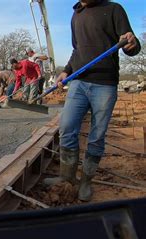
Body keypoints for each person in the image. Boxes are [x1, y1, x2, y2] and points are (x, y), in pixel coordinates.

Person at [42, 0, 140, 202]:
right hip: (78, 82)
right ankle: (67, 177)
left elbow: (130, 45)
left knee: (96, 136)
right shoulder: (76, 14)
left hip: (104, 84)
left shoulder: (114, 9)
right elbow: (76, 50)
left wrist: (132, 43)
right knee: (67, 129)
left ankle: (86, 180)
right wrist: (66, 71)